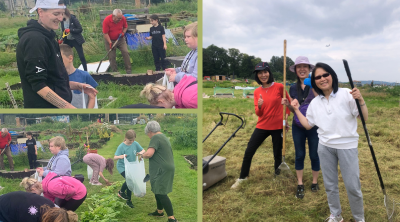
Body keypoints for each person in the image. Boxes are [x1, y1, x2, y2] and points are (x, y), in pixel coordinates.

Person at [292, 62, 367, 222]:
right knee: (330, 184)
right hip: (324, 147)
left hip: (347, 147)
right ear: (314, 82)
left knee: (353, 186)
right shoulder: (315, 103)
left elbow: (363, 117)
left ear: (332, 75)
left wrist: (360, 100)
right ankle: (336, 215)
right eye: (318, 77)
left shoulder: (347, 94)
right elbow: (307, 124)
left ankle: (359, 218)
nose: (322, 79)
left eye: (325, 74)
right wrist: (297, 109)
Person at [16, 0, 98, 108]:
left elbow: (53, 79)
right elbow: (38, 85)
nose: (60, 18)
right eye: (56, 14)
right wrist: (68, 108)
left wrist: (77, 85)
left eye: (62, 13)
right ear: (40, 12)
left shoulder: (49, 37)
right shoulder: (35, 40)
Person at [231, 62, 290, 189]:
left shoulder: (279, 87)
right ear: (257, 76)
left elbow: (288, 105)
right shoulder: (257, 91)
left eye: (265, 72)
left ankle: (277, 175)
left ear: (269, 73)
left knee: (277, 153)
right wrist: (259, 106)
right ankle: (243, 177)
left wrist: (285, 120)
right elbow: (258, 113)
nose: (263, 75)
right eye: (260, 73)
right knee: (249, 151)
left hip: (277, 126)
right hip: (262, 125)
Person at [281, 56, 320, 199]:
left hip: (314, 126)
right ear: (295, 70)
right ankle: (300, 183)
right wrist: (288, 104)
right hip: (298, 125)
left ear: (309, 69)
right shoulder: (292, 88)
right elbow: (293, 110)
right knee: (299, 154)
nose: (302, 69)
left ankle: (315, 182)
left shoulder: (316, 85)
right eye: (299, 67)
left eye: (305, 66)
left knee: (315, 154)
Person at [138, 121, 177, 222]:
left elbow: (149, 154)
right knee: (157, 190)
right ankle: (159, 211)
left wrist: (141, 155)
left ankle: (172, 218)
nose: (148, 136)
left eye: (148, 134)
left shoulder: (155, 137)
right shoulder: (163, 136)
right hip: (166, 167)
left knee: (161, 193)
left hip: (162, 169)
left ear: (150, 131)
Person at [21, 172, 87, 211]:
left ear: (33, 189)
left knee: (65, 212)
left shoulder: (52, 188)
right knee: (60, 209)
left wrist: (66, 198)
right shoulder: (44, 186)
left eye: (33, 194)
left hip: (79, 191)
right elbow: (50, 202)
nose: (34, 196)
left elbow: (72, 190)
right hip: (70, 189)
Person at [60, 44, 98, 109]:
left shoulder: (85, 75)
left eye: (60, 58)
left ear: (70, 58)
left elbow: (92, 97)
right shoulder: (57, 78)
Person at [114, 130, 145, 208]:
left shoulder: (135, 144)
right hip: (122, 167)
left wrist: (141, 153)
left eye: (133, 140)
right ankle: (123, 194)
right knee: (130, 180)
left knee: (130, 182)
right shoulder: (121, 146)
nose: (132, 141)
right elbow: (115, 157)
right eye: (130, 140)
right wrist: (121, 156)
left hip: (131, 167)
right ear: (125, 138)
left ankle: (127, 199)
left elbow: (143, 150)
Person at [102, 9, 131, 74]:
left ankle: (128, 70)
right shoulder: (106, 20)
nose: (120, 20)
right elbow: (105, 33)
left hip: (120, 39)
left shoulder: (122, 18)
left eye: (121, 18)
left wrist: (123, 32)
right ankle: (115, 72)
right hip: (109, 39)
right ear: (113, 16)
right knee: (112, 56)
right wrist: (110, 42)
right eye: (118, 18)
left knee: (125, 52)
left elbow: (125, 27)